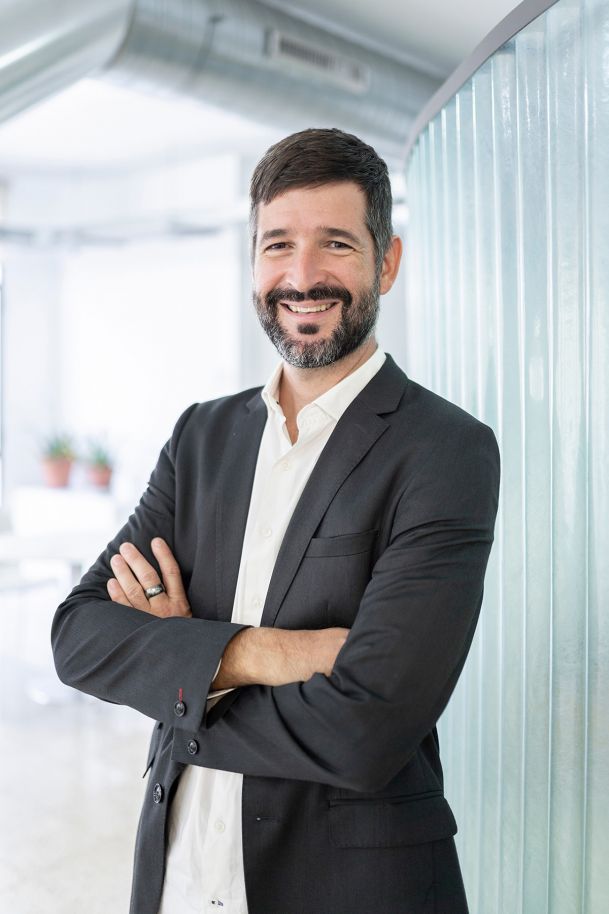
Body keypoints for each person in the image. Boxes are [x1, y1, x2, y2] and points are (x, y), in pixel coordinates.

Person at [51, 127, 500, 914]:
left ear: (386, 262)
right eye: (278, 245)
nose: (301, 276)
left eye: (335, 243)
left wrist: (179, 674)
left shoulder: (443, 449)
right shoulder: (202, 437)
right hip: (178, 878)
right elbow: (79, 636)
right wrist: (265, 653)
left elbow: (366, 730)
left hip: (347, 889)